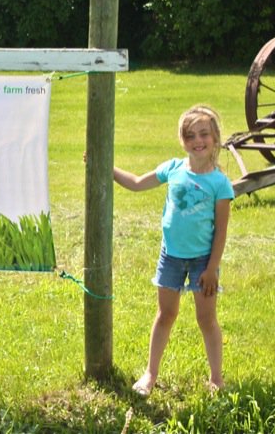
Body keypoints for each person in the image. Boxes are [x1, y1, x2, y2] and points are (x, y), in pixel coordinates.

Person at [113, 105, 234, 396]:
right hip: (171, 257)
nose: (197, 141)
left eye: (204, 134)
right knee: (165, 314)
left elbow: (221, 231)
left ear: (215, 138)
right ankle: (150, 374)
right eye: (190, 135)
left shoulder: (220, 184)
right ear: (182, 140)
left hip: (203, 261)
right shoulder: (173, 169)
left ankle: (216, 379)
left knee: (206, 319)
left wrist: (211, 269)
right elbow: (137, 183)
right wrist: (107, 166)